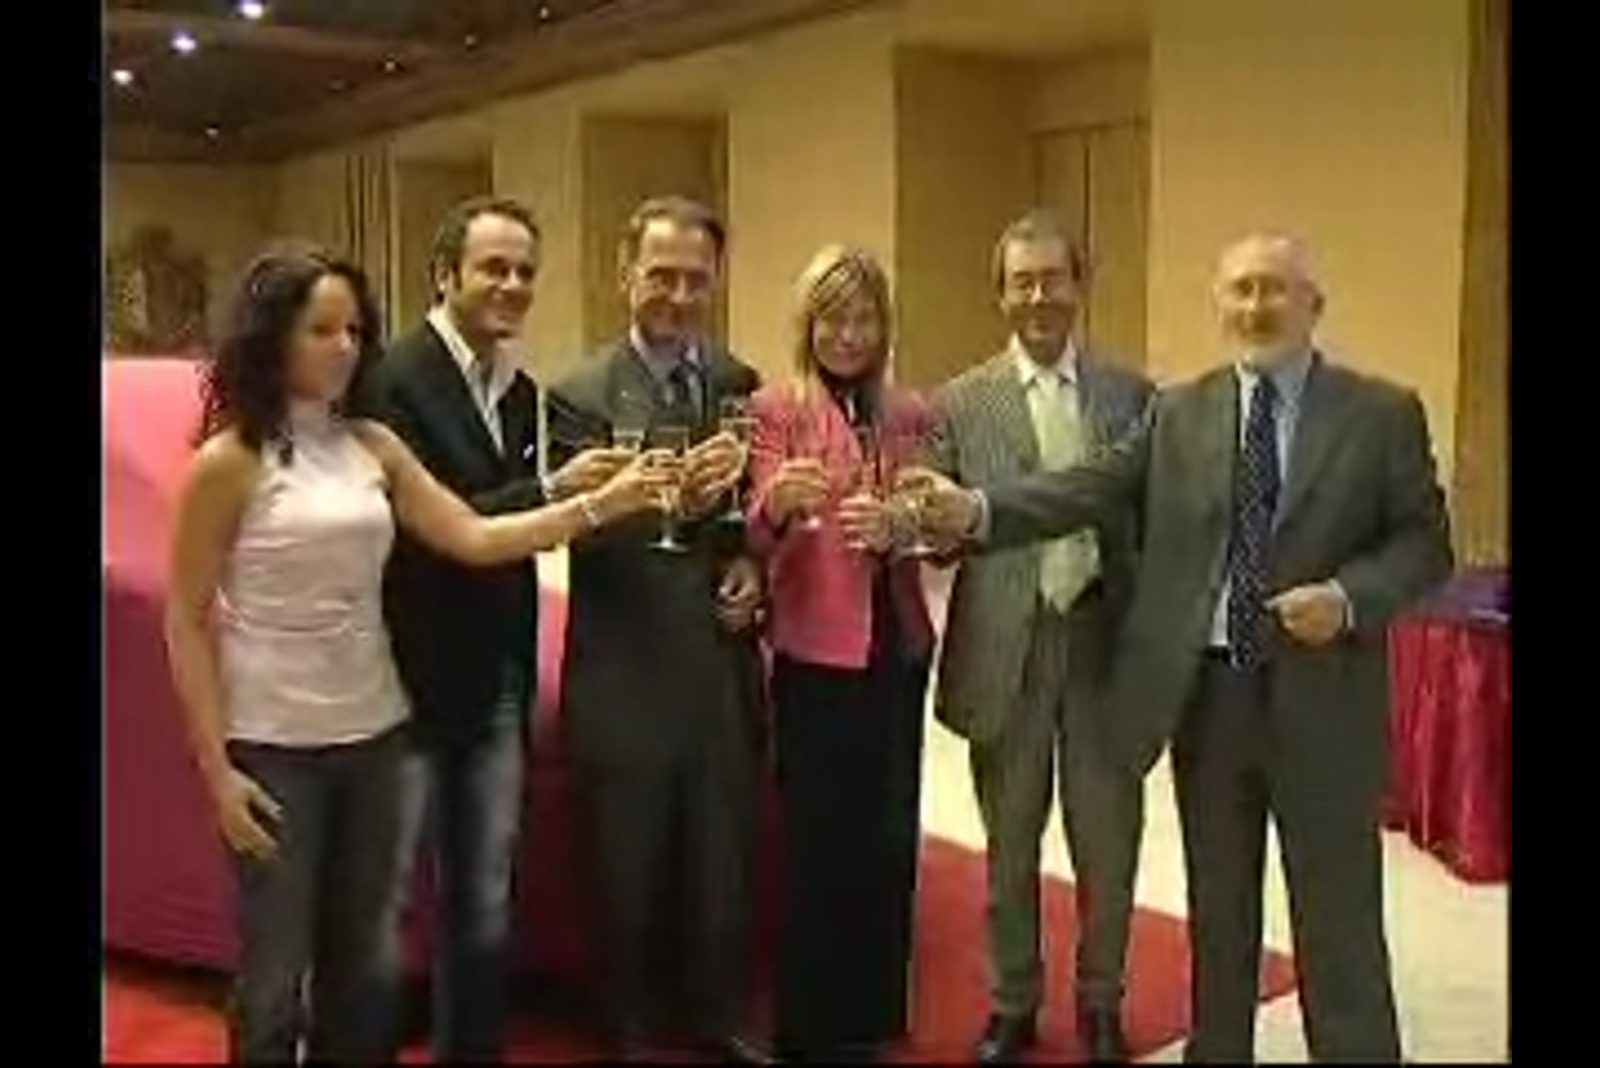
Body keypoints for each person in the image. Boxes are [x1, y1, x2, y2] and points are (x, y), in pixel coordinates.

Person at [911, 232, 1454, 1062]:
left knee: (1337, 919)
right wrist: (981, 512)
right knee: (1219, 913)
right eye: (1240, 290)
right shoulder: (1180, 412)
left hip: (1325, 704)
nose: (1256, 306)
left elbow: (1423, 545)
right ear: (1219, 305)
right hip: (1209, 701)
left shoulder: (1380, 414)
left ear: (1313, 305)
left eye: (1274, 288)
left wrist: (1348, 600)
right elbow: (1090, 487)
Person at [163, 243, 665, 1065]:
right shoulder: (229, 462)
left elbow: (473, 537)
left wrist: (597, 505)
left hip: (376, 736)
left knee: (364, 975)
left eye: (355, 331)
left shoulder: (373, 445)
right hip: (273, 748)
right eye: (321, 329)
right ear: (272, 336)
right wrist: (217, 773)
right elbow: (185, 619)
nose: (344, 347)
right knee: (275, 978)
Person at [367, 196, 637, 1062]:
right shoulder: (389, 380)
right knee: (380, 906)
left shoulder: (521, 395)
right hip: (401, 685)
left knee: (484, 898)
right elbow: (431, 526)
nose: (513, 284)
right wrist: (562, 495)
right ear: (444, 274)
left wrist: (568, 492)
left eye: (525, 270)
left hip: (496, 683)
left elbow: (508, 529)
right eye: (494, 267)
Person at [923, 211, 1152, 1064]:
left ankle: (1101, 1004)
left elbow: (1154, 518)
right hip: (1004, 648)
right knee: (1009, 846)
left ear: (1079, 286)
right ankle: (1012, 1003)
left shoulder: (1134, 397)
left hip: (1102, 642)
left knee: (1109, 846)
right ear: (1000, 295)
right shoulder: (959, 402)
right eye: (1021, 282)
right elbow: (938, 530)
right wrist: (925, 521)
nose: (1038, 297)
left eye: (1053, 279)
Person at [544, 196, 767, 1062]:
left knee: (721, 855)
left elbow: (749, 519)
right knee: (626, 861)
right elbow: (575, 529)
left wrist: (747, 565)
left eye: (695, 280)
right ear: (625, 274)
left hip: (715, 662)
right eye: (661, 276)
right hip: (624, 664)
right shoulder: (578, 395)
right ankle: (630, 1021)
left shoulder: (738, 384)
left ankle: (717, 1013)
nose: (678, 295)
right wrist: (647, 497)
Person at [746, 246, 933, 1063]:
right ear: (808, 325)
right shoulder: (775, 410)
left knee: (888, 841)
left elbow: (941, 526)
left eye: (864, 319)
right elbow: (751, 539)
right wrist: (775, 508)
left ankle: (872, 1018)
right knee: (819, 846)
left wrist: (908, 524)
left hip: (898, 649)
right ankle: (811, 1028)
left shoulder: (911, 413)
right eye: (833, 319)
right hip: (815, 655)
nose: (849, 335)